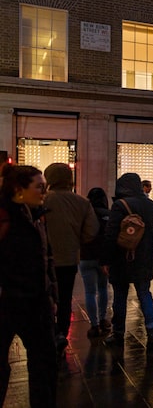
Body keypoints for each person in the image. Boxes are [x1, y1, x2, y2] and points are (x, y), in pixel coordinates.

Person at [0, 165, 58, 408]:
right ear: (18, 190)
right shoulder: (4, 218)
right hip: (7, 302)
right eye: (39, 187)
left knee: (44, 363)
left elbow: (46, 258)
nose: (44, 192)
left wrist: (51, 295)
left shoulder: (37, 216)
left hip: (36, 302)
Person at [43, 162, 98, 353]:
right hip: (68, 258)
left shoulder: (42, 201)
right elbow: (91, 231)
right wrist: (75, 240)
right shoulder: (82, 202)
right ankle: (61, 333)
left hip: (43, 259)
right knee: (65, 299)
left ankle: (47, 333)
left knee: (45, 298)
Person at [101, 173, 153, 349]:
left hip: (122, 258)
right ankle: (152, 330)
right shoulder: (152, 205)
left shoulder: (120, 205)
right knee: (145, 293)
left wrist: (106, 260)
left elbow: (110, 234)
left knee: (120, 296)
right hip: (145, 258)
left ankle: (118, 332)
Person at [81, 187, 112, 338]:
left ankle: (94, 325)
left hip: (86, 256)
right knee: (103, 288)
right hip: (103, 259)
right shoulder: (108, 214)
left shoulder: (85, 213)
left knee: (90, 292)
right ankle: (103, 319)